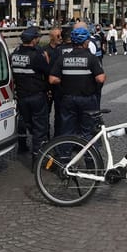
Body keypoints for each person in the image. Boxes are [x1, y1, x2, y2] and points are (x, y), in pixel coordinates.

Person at [48, 26, 105, 138]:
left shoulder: (63, 58)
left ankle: (64, 154)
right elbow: (101, 78)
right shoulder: (91, 58)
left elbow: (52, 79)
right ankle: (89, 154)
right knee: (88, 129)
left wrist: (64, 80)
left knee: (66, 129)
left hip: (68, 98)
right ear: (85, 42)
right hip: (87, 98)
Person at [10, 27, 51, 160]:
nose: (38, 39)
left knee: (29, 125)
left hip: (21, 97)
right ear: (33, 40)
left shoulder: (14, 55)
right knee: (40, 129)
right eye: (37, 37)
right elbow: (48, 73)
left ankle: (29, 147)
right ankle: (38, 159)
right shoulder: (36, 56)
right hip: (37, 96)